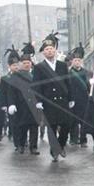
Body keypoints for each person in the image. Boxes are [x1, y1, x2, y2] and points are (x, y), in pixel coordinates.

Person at [32, 32, 72, 161]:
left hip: (63, 101)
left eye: (51, 49)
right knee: (52, 128)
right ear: (43, 52)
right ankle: (54, 150)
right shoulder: (39, 67)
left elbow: (68, 82)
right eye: (47, 49)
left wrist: (71, 98)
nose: (49, 51)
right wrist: (38, 101)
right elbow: (36, 85)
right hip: (48, 102)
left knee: (66, 125)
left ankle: (61, 145)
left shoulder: (62, 65)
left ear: (55, 50)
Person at [6, 44, 42, 155]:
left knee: (34, 127)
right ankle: (21, 145)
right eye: (25, 63)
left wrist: (40, 101)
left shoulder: (36, 75)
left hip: (34, 105)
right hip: (21, 105)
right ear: (21, 64)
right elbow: (11, 92)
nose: (27, 65)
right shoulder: (16, 76)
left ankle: (33, 147)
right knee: (22, 127)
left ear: (31, 64)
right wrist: (11, 104)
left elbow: (40, 89)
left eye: (28, 63)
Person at [66, 45, 92, 147]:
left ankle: (83, 140)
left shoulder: (86, 72)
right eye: (75, 60)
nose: (77, 62)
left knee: (84, 121)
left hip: (84, 99)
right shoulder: (68, 73)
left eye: (79, 60)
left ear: (81, 61)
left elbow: (89, 86)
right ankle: (73, 139)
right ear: (72, 61)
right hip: (72, 99)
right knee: (73, 121)